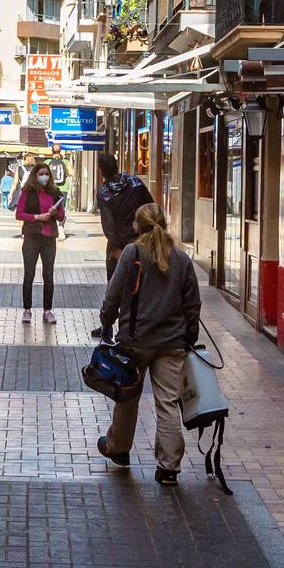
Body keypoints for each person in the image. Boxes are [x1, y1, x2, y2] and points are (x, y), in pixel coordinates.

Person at [95, 204, 201, 485]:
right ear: (163, 224)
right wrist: (189, 337)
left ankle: (118, 448)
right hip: (172, 342)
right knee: (167, 403)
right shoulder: (181, 257)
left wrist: (106, 320)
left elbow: (114, 293)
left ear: (136, 225)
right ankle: (168, 468)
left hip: (135, 340)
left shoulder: (132, 253)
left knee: (127, 396)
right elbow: (193, 304)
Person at [15, 160, 66, 322]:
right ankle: (27, 309)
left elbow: (62, 216)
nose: (44, 177)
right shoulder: (27, 191)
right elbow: (19, 214)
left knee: (48, 274)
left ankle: (48, 310)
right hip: (31, 236)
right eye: (40, 174)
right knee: (29, 274)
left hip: (49, 237)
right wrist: (37, 217)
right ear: (34, 176)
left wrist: (54, 213)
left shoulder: (55, 192)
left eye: (46, 174)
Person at [96, 152, 155, 273]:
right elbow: (151, 207)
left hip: (120, 245)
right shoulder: (136, 182)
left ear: (101, 171)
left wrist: (116, 249)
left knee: (115, 285)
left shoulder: (104, 193)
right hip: (141, 241)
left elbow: (108, 225)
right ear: (116, 166)